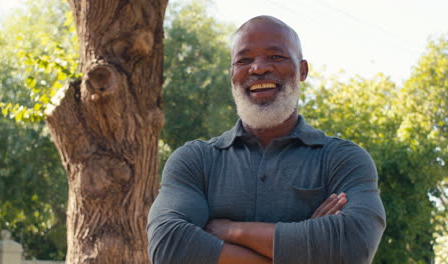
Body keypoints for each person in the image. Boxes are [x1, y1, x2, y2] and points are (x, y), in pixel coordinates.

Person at [147, 15, 386, 264]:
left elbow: (352, 249)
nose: (258, 68)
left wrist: (231, 231)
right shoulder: (195, 161)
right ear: (232, 74)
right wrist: (305, 251)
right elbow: (168, 247)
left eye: (276, 57)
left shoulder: (343, 160)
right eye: (244, 60)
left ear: (302, 70)